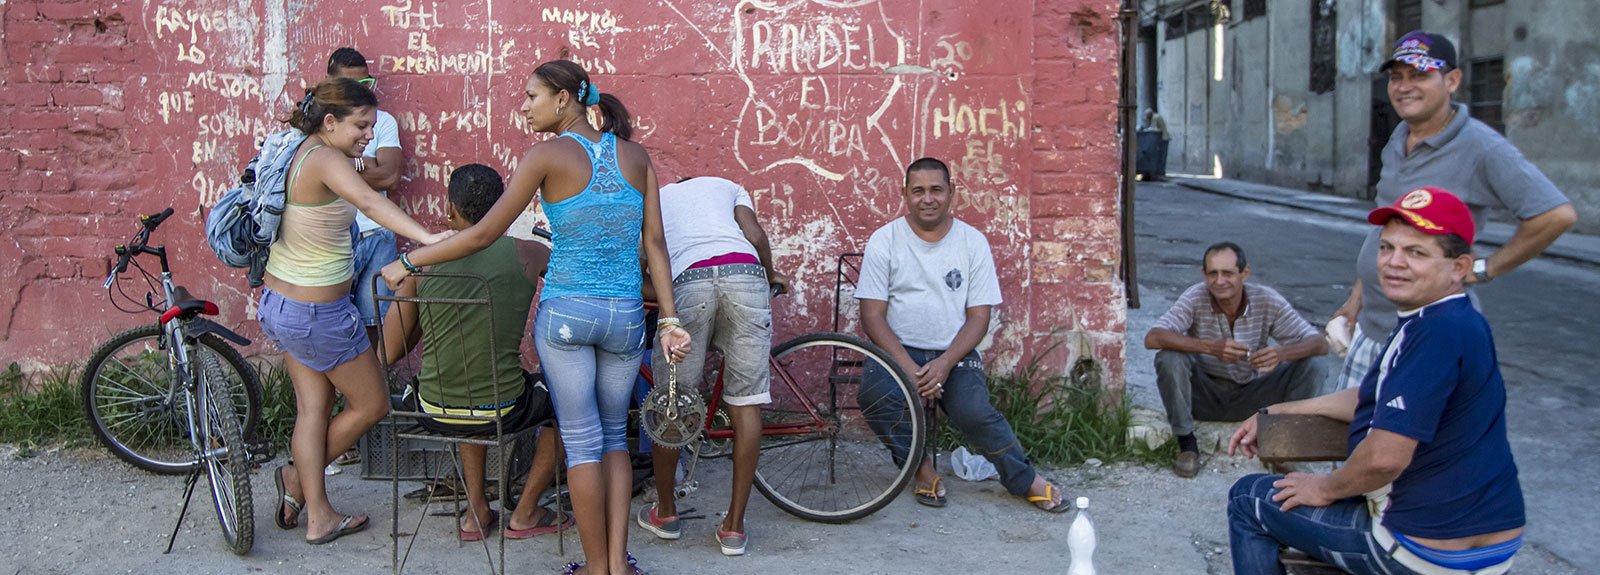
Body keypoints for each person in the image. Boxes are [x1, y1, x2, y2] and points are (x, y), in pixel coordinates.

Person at [381, 60, 689, 575]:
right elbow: (654, 244)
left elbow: (480, 234)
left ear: (564, 99)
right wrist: (671, 319)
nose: (523, 107)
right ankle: (618, 565)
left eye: (531, 96)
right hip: (626, 318)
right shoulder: (636, 157)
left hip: (568, 314)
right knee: (615, 437)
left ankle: (595, 568)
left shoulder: (545, 155)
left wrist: (409, 259)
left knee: (584, 442)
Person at [1227, 187, 1525, 575]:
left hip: (1422, 554)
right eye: (1386, 248)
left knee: (1248, 499)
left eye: (1416, 252)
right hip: (1492, 542)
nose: (1393, 263)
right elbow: (1375, 397)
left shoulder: (1434, 334)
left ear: (1459, 267)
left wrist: (1325, 487)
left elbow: (1385, 458)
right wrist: (1282, 409)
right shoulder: (1455, 318)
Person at [262, 77, 451, 545]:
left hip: (281, 304)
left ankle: (314, 508)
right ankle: (299, 485)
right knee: (371, 404)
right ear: (331, 122)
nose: (369, 134)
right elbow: (369, 199)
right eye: (361, 125)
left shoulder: (299, 147)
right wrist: (427, 240)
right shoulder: (327, 159)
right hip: (316, 314)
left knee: (313, 409)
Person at [1331, 30, 1575, 393]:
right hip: (1374, 330)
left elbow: (1555, 215)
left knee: (1400, 447)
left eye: (1419, 75)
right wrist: (1353, 305)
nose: (1404, 86)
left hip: (1428, 338)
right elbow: (1383, 234)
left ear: (1452, 81)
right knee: (1350, 443)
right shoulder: (1398, 139)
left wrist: (1484, 269)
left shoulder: (1481, 146)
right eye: (1396, 76)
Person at [855, 157, 1069, 513]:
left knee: (973, 411)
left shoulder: (972, 242)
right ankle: (921, 469)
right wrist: (909, 366)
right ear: (904, 194)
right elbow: (872, 316)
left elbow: (979, 318)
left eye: (936, 190)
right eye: (918, 191)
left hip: (953, 352)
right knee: (875, 397)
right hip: (898, 349)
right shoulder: (885, 240)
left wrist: (943, 364)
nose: (928, 198)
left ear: (952, 192)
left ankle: (1023, 479)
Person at [378, 164, 572, 541]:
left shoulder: (423, 262)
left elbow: (388, 351)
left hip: (433, 407)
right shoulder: (530, 254)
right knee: (572, 405)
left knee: (464, 384)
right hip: (501, 408)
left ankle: (477, 509)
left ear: (450, 209)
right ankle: (527, 509)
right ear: (503, 207)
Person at [636, 176, 790, 557]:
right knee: (746, 404)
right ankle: (734, 529)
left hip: (689, 280)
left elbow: (645, 259)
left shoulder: (656, 195)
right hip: (746, 275)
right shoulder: (727, 186)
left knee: (672, 402)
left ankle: (666, 514)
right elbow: (754, 235)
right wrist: (769, 273)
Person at [1144, 242, 1326, 478]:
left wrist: (1281, 353)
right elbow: (1153, 337)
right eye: (1213, 273)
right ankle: (1186, 445)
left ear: (1244, 273)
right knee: (1169, 357)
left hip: (1253, 396)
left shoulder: (1266, 299)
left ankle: (1283, 447)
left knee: (1314, 365)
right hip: (1205, 395)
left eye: (1228, 273)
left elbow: (1320, 344)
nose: (1220, 281)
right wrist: (1210, 347)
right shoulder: (1195, 296)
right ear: (1204, 275)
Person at [326, 47, 405, 345]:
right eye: (350, 86)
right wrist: (363, 166)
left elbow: (389, 176)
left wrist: (347, 165)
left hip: (377, 236)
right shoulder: (321, 125)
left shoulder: (381, 122)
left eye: (365, 84)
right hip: (336, 239)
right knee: (332, 322)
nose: (359, 92)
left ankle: (370, 385)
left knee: (375, 326)